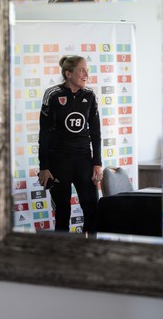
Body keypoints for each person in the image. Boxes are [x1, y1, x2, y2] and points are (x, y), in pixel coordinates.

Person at [38, 55, 102, 234]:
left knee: (92, 210)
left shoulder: (89, 95)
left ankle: (90, 252)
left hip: (84, 162)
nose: (86, 74)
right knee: (62, 214)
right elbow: (44, 134)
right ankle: (64, 256)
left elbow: (96, 133)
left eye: (87, 69)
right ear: (68, 74)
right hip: (59, 163)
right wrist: (44, 167)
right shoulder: (52, 94)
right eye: (82, 70)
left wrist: (97, 163)